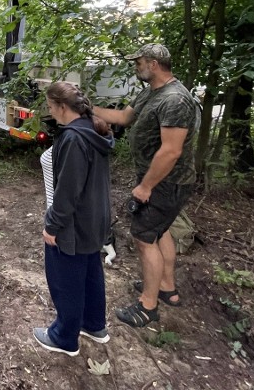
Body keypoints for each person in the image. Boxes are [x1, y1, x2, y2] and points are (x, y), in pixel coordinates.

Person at [93, 43, 201, 328]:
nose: (135, 66)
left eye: (139, 62)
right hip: (157, 180)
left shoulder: (176, 99)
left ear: (153, 64)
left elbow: (171, 151)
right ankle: (166, 288)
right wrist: (87, 107)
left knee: (143, 238)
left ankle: (147, 307)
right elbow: (124, 119)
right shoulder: (151, 93)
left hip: (167, 183)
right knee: (159, 231)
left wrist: (146, 187)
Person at [33, 82, 115, 356]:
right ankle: (93, 325)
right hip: (97, 217)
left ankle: (64, 337)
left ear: (62, 107)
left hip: (75, 222)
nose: (50, 111)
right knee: (91, 268)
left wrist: (52, 225)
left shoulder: (72, 138)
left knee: (65, 276)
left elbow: (68, 190)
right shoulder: (92, 129)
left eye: (50, 106)